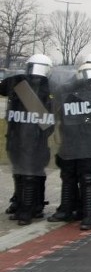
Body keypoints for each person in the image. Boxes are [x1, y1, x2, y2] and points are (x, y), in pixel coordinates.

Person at [49, 62, 91, 230]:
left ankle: (88, 214)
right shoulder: (69, 90)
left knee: (87, 177)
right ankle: (67, 210)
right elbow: (58, 106)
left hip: (88, 142)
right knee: (68, 175)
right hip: (69, 140)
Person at [0, 54, 55, 225]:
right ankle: (23, 204)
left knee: (30, 173)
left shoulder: (48, 87)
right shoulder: (18, 82)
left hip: (32, 136)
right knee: (21, 172)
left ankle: (29, 208)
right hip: (20, 134)